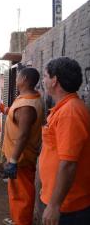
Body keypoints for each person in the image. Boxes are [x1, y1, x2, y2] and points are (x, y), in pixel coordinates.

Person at [39, 57, 90, 225]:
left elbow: (68, 163)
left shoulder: (70, 112)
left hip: (68, 207)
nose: (43, 81)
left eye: (45, 76)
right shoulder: (63, 109)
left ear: (54, 80)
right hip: (59, 201)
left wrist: (54, 205)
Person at [2, 67, 44, 225]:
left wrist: (13, 160)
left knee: (22, 194)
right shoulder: (26, 98)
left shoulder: (27, 105)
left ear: (25, 79)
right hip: (19, 158)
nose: (16, 78)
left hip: (21, 159)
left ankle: (21, 222)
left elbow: (23, 134)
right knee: (16, 192)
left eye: (18, 76)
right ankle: (17, 219)